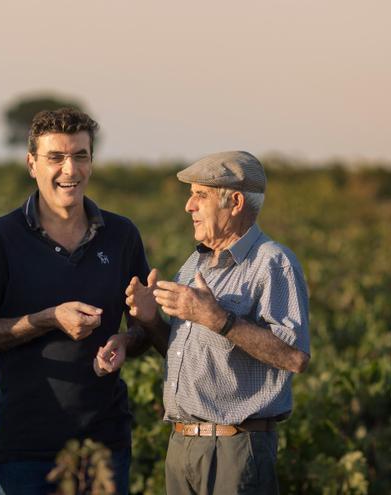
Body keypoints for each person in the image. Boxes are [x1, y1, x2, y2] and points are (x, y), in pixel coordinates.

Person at [0, 108, 151, 495]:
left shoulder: (122, 235)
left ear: (92, 162)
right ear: (32, 164)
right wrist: (46, 319)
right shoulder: (0, 237)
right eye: (56, 158)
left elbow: (142, 328)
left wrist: (125, 342)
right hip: (26, 448)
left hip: (105, 445)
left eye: (80, 155)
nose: (70, 169)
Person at [124, 151, 311, 494]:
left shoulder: (273, 264)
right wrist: (150, 322)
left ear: (236, 202)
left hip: (234, 449)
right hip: (182, 445)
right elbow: (185, 354)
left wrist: (218, 319)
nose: (188, 206)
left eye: (201, 195)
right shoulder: (195, 265)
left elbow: (295, 357)